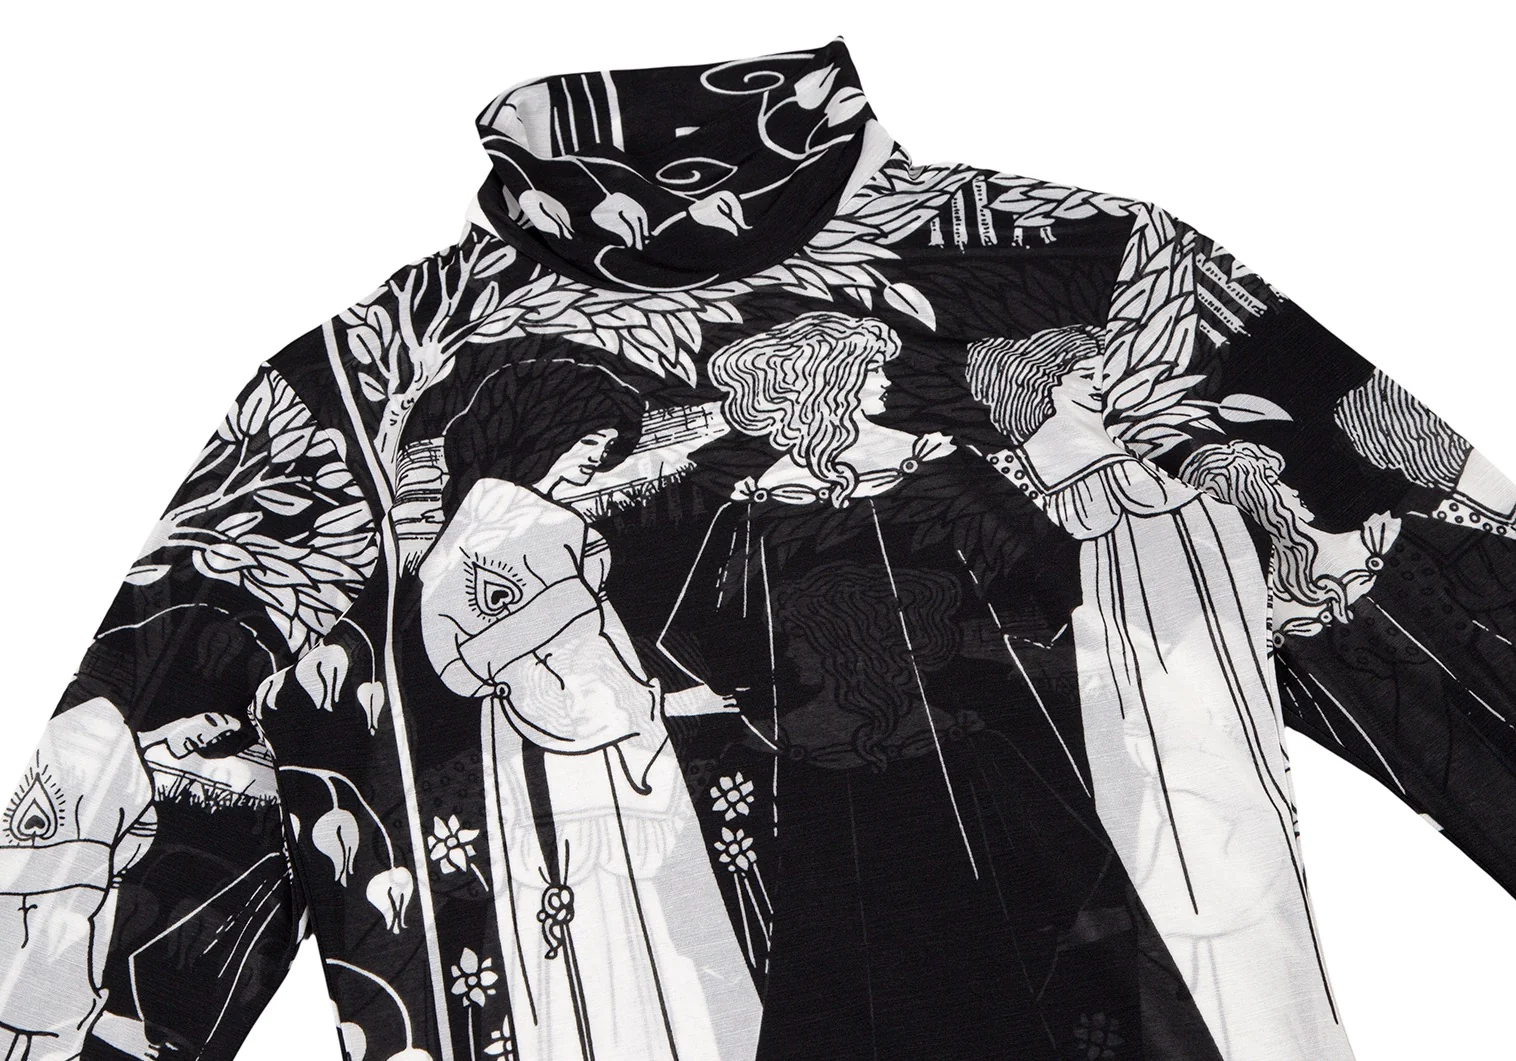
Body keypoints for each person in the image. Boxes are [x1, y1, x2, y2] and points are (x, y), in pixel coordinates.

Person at [661, 313, 1207, 1060]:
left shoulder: (938, 468)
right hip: (840, 775)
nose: (886, 382)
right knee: (859, 959)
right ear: (828, 385)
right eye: (870, 370)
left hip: (975, 754)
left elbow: (1046, 585)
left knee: (1023, 935)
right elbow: (706, 643)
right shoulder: (754, 514)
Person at [965, 325, 1351, 1061]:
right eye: (1083, 371)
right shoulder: (1068, 468)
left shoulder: (1130, 462)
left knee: (1230, 799)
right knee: (1187, 804)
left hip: (1193, 643)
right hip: (1142, 654)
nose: (1102, 380)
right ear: (1042, 384)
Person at [416, 358, 759, 1061]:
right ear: (544, 432)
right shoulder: (530, 525)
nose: (595, 461)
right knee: (610, 908)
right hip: (573, 757)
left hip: (546, 741)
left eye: (605, 448)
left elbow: (478, 665)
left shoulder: (481, 527)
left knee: (594, 920)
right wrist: (659, 700)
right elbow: (545, 672)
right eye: (589, 443)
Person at [1, 701, 245, 1061]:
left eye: (216, 739)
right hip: (41, 969)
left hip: (69, 965)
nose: (206, 737)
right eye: (211, 720)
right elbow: (34, 894)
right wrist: (95, 1019)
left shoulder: (136, 777)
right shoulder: (93, 738)